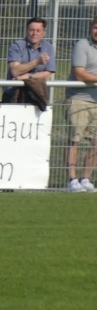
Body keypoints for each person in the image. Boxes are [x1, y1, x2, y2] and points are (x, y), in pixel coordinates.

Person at [66, 17, 97, 193]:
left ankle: (86, 178)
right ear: (91, 28)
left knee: (96, 142)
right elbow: (79, 73)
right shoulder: (82, 45)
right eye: (95, 27)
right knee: (74, 140)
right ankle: (72, 179)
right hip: (78, 98)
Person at [3, 17, 55, 105]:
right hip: (13, 95)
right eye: (32, 30)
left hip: (37, 95)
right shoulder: (17, 46)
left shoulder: (48, 48)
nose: (35, 33)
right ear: (27, 31)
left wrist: (28, 76)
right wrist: (37, 62)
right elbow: (15, 71)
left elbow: (47, 74)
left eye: (38, 30)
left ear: (44, 33)